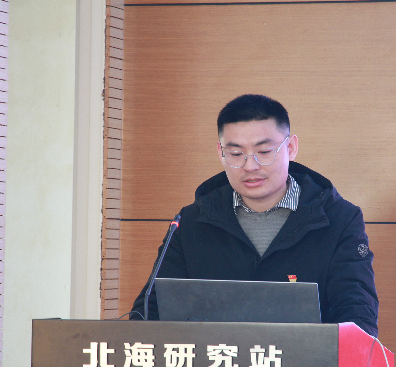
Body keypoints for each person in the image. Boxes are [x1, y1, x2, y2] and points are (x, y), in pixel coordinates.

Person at [130, 94, 379, 336]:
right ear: (221, 153)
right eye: (236, 154)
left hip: (307, 364)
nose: (250, 166)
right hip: (216, 362)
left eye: (264, 152)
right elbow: (149, 313)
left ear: (290, 148)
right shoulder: (190, 222)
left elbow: (358, 317)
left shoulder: (339, 220)